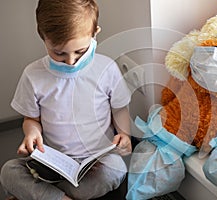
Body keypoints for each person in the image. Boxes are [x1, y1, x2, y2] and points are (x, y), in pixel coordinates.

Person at [0, 0, 132, 199]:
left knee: (116, 170)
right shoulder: (33, 75)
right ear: (43, 37)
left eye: (80, 51)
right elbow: (31, 120)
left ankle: (50, 196)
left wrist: (124, 134)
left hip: (94, 164)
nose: (71, 62)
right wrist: (31, 134)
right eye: (59, 53)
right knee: (9, 171)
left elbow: (119, 108)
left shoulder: (106, 68)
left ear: (94, 33)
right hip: (51, 163)